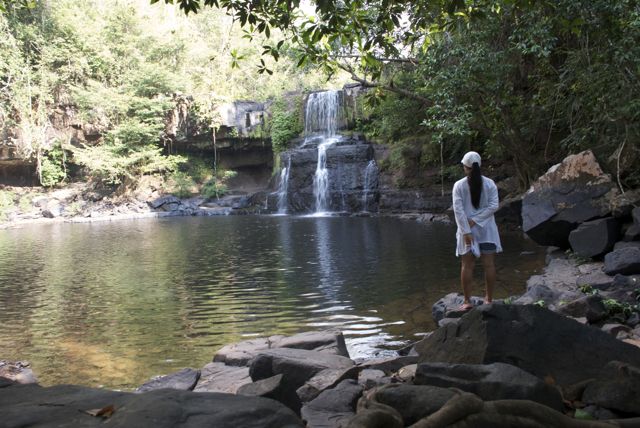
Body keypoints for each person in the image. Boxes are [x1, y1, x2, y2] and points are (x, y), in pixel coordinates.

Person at [452, 151, 502, 311]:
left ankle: (467, 301)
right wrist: (477, 220)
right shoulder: (490, 184)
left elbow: (458, 211)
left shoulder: (459, 185)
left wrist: (467, 230)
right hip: (487, 230)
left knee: (467, 266)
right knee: (489, 265)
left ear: (465, 167)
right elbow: (494, 206)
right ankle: (488, 299)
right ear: (480, 166)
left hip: (467, 232)